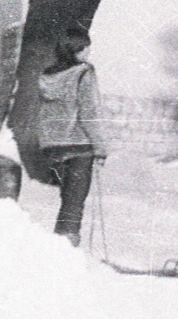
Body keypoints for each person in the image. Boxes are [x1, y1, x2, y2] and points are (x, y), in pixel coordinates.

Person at [9, 27, 106, 247]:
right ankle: (65, 252)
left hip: (53, 146)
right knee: (74, 204)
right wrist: (100, 148)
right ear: (75, 49)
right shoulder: (84, 72)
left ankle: (59, 250)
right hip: (80, 145)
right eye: (84, 46)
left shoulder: (47, 75)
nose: (88, 50)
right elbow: (89, 112)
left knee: (67, 200)